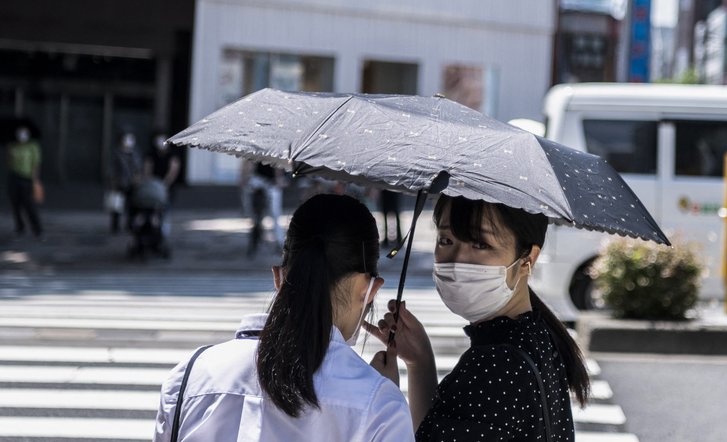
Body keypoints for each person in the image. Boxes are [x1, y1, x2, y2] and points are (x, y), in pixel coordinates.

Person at [154, 194, 414, 441]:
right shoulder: (380, 408)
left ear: (279, 277)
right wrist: (383, 391)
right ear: (368, 289)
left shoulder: (189, 376)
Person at [368, 195, 591, 441]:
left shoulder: (497, 364)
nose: (457, 259)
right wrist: (420, 361)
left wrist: (384, 400)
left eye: (480, 244)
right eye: (446, 240)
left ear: (528, 259)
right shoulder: (536, 334)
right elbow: (436, 430)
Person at [6, 125, 43, 239]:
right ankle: (20, 227)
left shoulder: (32, 146)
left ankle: (37, 229)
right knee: (15, 204)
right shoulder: (12, 146)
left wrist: (35, 180)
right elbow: (9, 162)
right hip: (14, 177)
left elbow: (36, 163)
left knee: (29, 205)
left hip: (27, 178)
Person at [144, 132, 180, 240]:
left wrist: (164, 184)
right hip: (153, 188)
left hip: (167, 189)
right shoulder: (151, 154)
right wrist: (152, 183)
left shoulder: (172, 155)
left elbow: (173, 171)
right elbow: (147, 170)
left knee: (165, 211)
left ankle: (162, 233)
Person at [110, 132, 142, 234]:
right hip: (119, 183)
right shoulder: (117, 153)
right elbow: (112, 169)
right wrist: (113, 182)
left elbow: (138, 168)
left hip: (132, 183)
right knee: (117, 206)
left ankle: (130, 225)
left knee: (132, 206)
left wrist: (138, 178)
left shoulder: (135, 153)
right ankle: (115, 226)